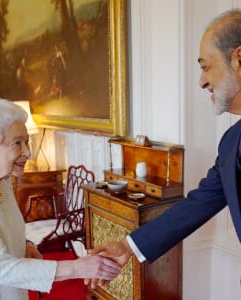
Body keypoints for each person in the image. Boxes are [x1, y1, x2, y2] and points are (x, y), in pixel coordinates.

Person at [88, 8, 241, 281]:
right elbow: (199, 203)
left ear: (239, 59)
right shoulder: (231, 143)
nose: (202, 81)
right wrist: (128, 245)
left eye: (206, 66)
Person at [0, 99, 121, 300]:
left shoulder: (2, 178)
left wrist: (25, 244)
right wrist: (77, 267)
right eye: (17, 143)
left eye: (26, 141)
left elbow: (5, 227)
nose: (28, 151)